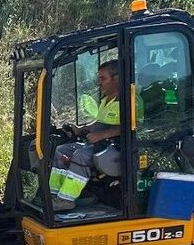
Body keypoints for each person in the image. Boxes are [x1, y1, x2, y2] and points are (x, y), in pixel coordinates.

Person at [49, 60, 140, 211]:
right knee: (61, 150)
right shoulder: (106, 99)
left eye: (103, 78)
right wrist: (80, 129)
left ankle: (67, 199)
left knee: (81, 155)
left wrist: (101, 135)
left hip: (118, 148)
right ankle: (53, 195)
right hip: (100, 144)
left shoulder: (130, 101)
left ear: (116, 78)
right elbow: (100, 122)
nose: (99, 83)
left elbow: (132, 127)